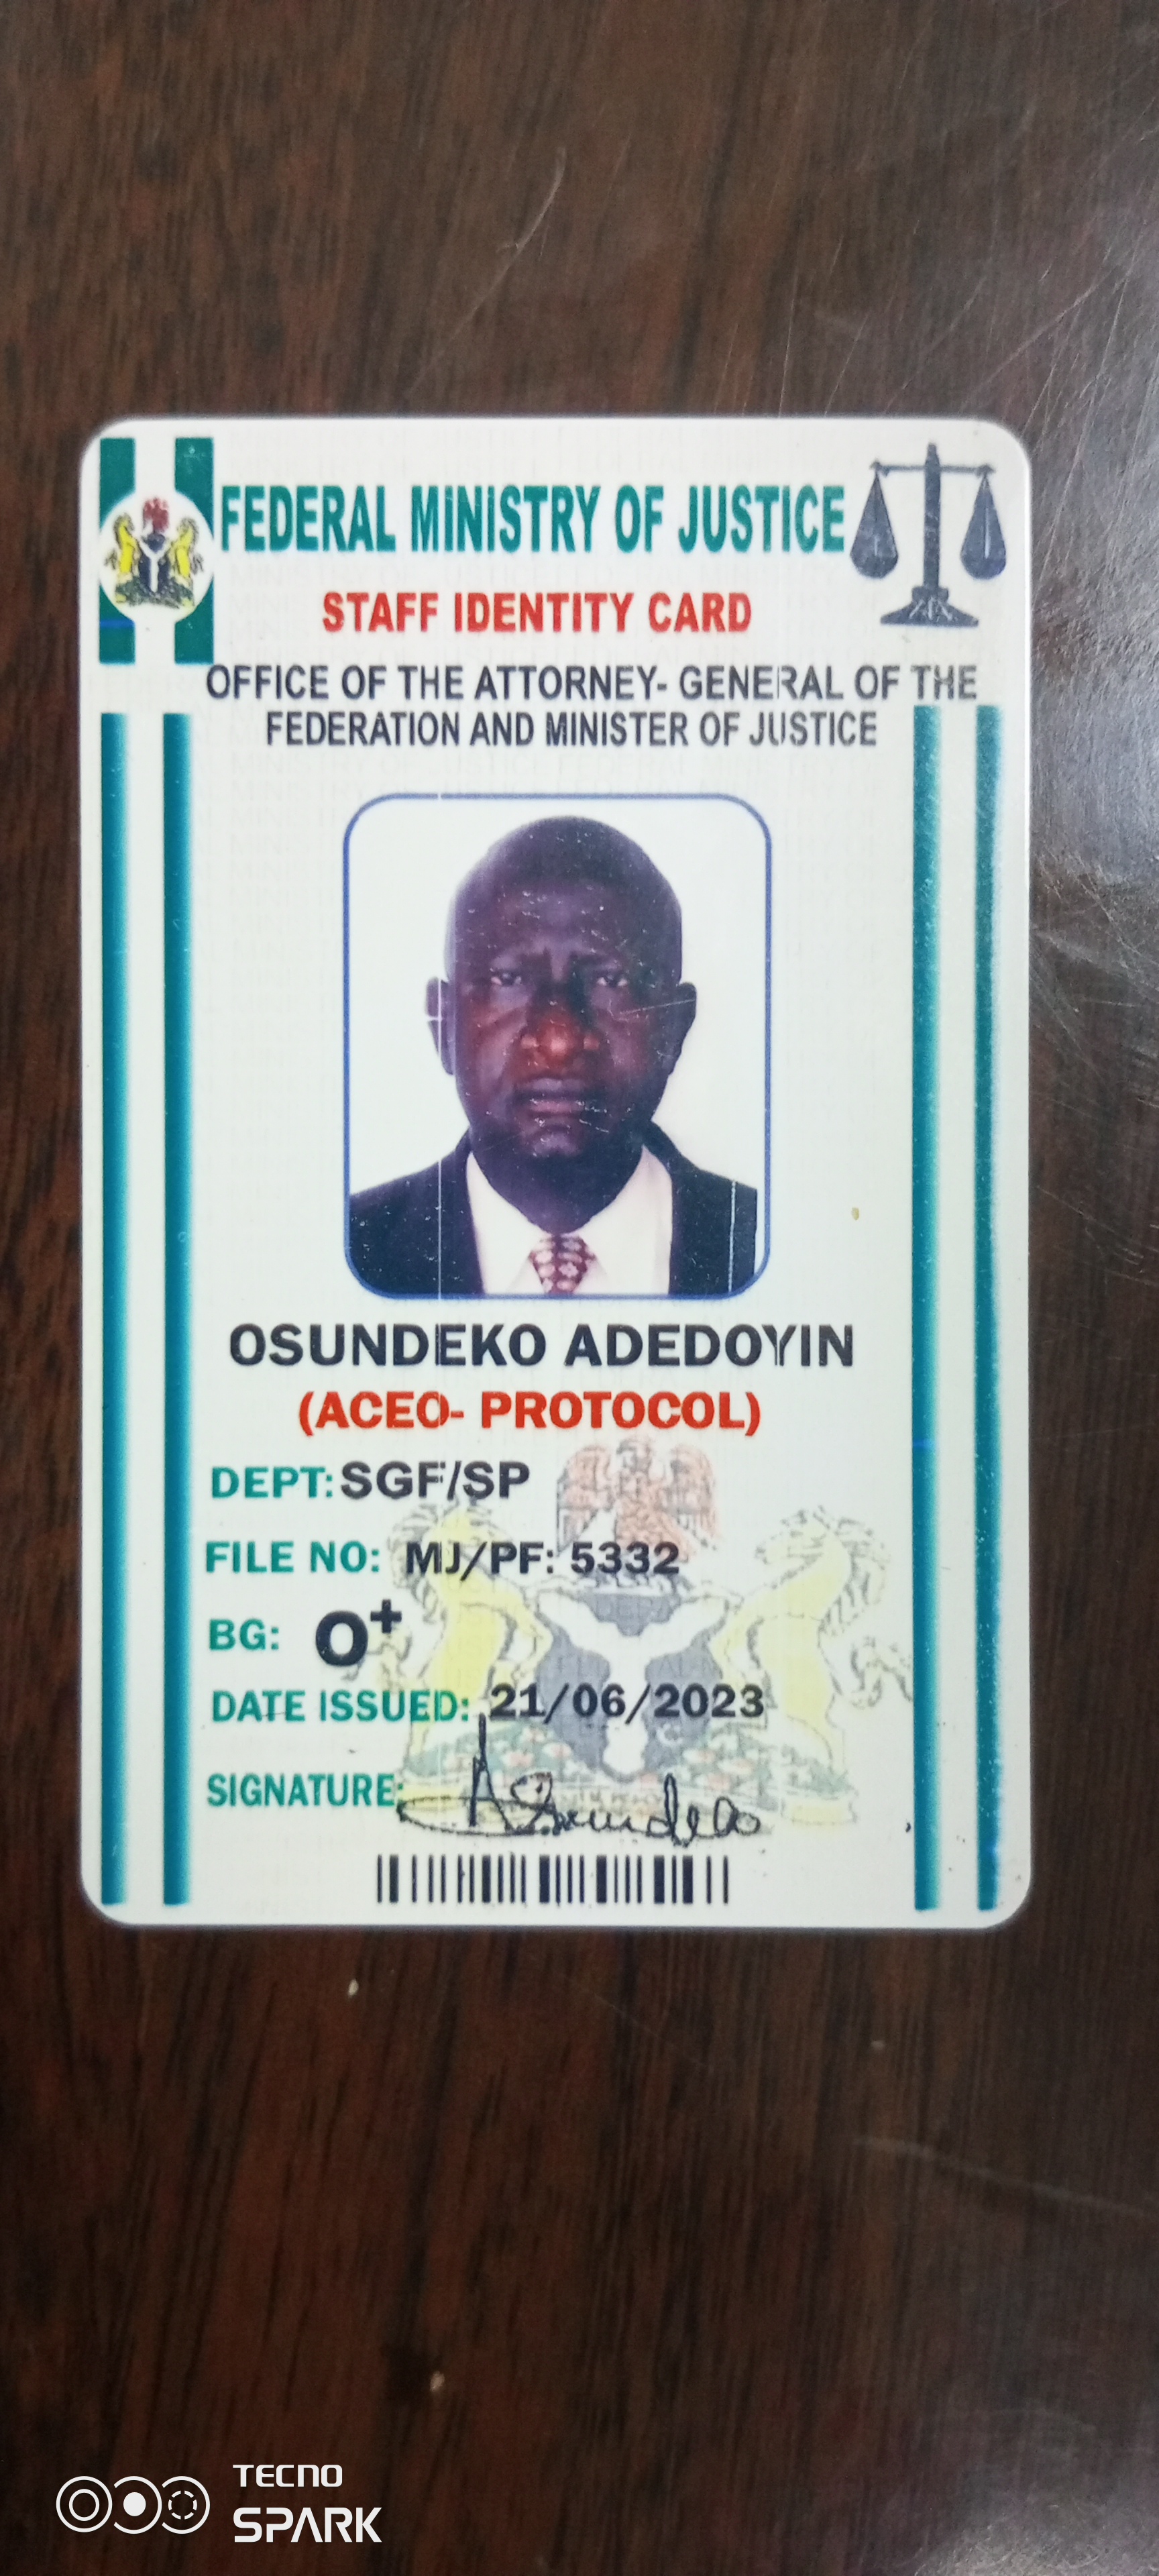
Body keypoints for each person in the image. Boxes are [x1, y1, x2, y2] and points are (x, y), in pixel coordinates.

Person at [348, 814, 758, 1296]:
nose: (559, 1042)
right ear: (444, 1024)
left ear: (675, 1027)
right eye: (508, 980)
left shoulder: (773, 1245)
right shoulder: (342, 1252)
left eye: (610, 981)